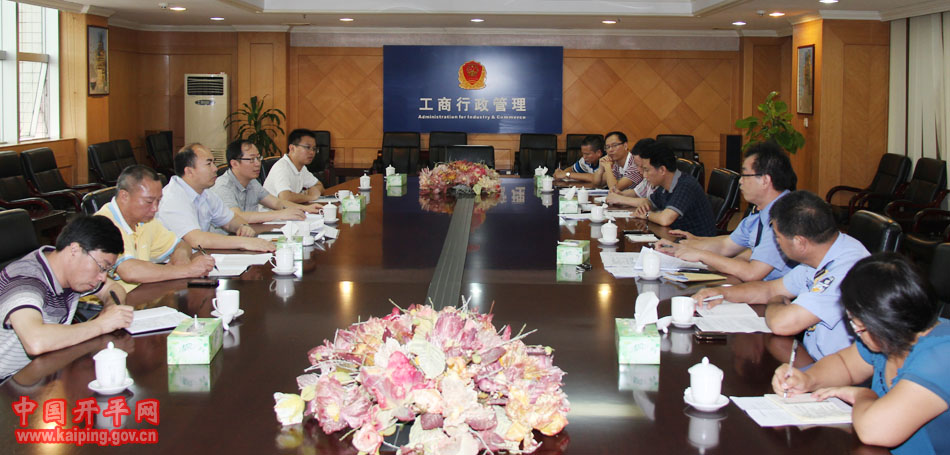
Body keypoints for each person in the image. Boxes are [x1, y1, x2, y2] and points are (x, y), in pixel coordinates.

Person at [772, 253, 949, 454]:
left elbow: (875, 430)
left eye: (859, 326)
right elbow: (845, 364)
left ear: (883, 322)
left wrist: (864, 395)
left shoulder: (942, 355)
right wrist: (807, 379)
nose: (857, 332)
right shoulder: (889, 338)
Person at [693, 191, 870, 362]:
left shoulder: (846, 269)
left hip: (836, 371)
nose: (776, 243)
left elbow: (782, 323)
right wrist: (723, 293)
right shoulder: (820, 253)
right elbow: (770, 289)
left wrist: (775, 301)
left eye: (777, 237)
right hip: (812, 359)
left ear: (799, 242)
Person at [0, 216, 133, 379]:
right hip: (7, 383)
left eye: (107, 270)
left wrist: (111, 309)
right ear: (74, 250)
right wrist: (102, 324)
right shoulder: (24, 279)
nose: (102, 277)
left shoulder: (68, 271)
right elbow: (35, 341)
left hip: (42, 372)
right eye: (101, 267)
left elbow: (113, 288)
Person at [655, 142, 797, 281]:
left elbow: (752, 273)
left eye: (745, 175)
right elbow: (725, 246)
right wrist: (678, 248)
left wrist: (701, 255)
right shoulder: (759, 213)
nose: (740, 181)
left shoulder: (786, 218)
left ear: (765, 180)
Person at [96, 165, 216, 290]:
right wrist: (187, 270)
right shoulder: (103, 224)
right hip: (114, 300)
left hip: (144, 293)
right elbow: (130, 271)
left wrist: (181, 261)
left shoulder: (145, 221)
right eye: (149, 201)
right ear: (124, 196)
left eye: (158, 201)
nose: (155, 208)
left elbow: (181, 245)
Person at [156, 143, 275, 252]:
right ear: (189, 171)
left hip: (200, 257)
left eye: (214, 163)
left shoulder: (206, 193)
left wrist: (242, 227)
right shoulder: (173, 198)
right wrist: (244, 242)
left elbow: (231, 220)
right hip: (171, 264)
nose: (215, 168)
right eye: (209, 164)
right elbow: (196, 239)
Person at [211, 139, 322, 225]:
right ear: (234, 163)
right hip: (225, 242)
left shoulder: (252, 182)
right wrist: (279, 214)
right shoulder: (223, 186)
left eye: (258, 158)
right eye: (252, 159)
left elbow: (277, 203)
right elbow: (236, 217)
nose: (257, 163)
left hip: (248, 233)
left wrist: (306, 209)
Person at [632, 141, 717, 237]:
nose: (644, 175)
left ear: (662, 170)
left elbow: (665, 219)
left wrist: (646, 215)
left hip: (698, 242)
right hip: (678, 239)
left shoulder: (686, 185)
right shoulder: (664, 186)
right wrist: (645, 205)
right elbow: (650, 202)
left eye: (646, 170)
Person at [263, 129, 326, 204]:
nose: (312, 152)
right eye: (307, 147)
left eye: (314, 149)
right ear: (292, 148)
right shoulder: (282, 167)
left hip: (291, 209)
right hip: (273, 211)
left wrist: (313, 191)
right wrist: (310, 197)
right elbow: (285, 198)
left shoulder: (302, 167)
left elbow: (319, 185)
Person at [604, 138, 658, 210]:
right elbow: (636, 193)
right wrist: (620, 194)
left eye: (643, 167)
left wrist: (620, 199)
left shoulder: (660, 179)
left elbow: (649, 203)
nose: (639, 170)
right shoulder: (648, 178)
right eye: (637, 165)